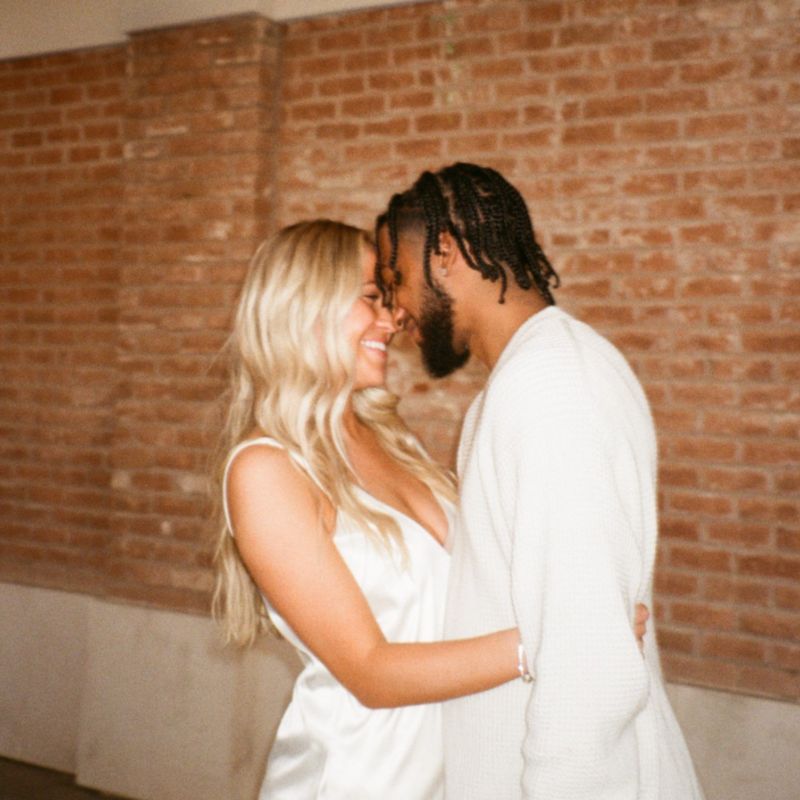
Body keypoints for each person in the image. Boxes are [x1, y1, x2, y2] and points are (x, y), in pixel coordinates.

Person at [376, 163, 705, 800]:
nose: (394, 313)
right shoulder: (524, 383)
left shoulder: (553, 387)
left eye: (397, 280)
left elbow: (587, 664)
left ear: (444, 254)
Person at [212, 219, 525, 799]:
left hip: (456, 775)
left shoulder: (390, 439)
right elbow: (371, 672)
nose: (392, 319)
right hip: (358, 780)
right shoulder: (266, 469)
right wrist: (547, 643)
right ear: (306, 309)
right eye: (371, 299)